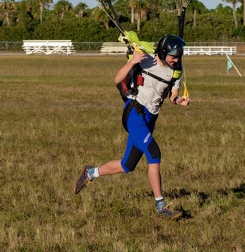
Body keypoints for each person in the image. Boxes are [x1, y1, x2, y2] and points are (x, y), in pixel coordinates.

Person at [74, 34, 190, 220]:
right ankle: (161, 206)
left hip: (150, 119)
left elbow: (173, 95)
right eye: (173, 56)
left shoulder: (176, 70)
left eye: (179, 56)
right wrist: (132, 62)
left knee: (127, 165)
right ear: (162, 52)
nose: (177, 60)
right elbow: (117, 79)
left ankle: (90, 173)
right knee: (154, 154)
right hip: (134, 113)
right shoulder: (145, 61)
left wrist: (179, 100)